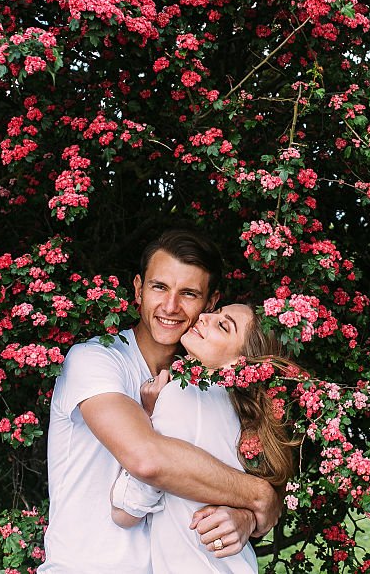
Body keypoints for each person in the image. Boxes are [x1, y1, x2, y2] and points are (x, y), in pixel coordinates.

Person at [39, 230, 281, 574]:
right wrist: (260, 498)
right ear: (138, 289)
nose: (170, 307)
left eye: (188, 293)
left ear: (210, 303)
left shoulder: (208, 391)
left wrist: (244, 516)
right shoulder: (95, 360)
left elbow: (224, 474)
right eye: (159, 287)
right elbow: (146, 458)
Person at [108, 304, 298, 572]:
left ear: (239, 363)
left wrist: (148, 420)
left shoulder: (183, 394)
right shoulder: (244, 421)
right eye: (216, 312)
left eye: (223, 325)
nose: (205, 317)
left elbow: (125, 513)